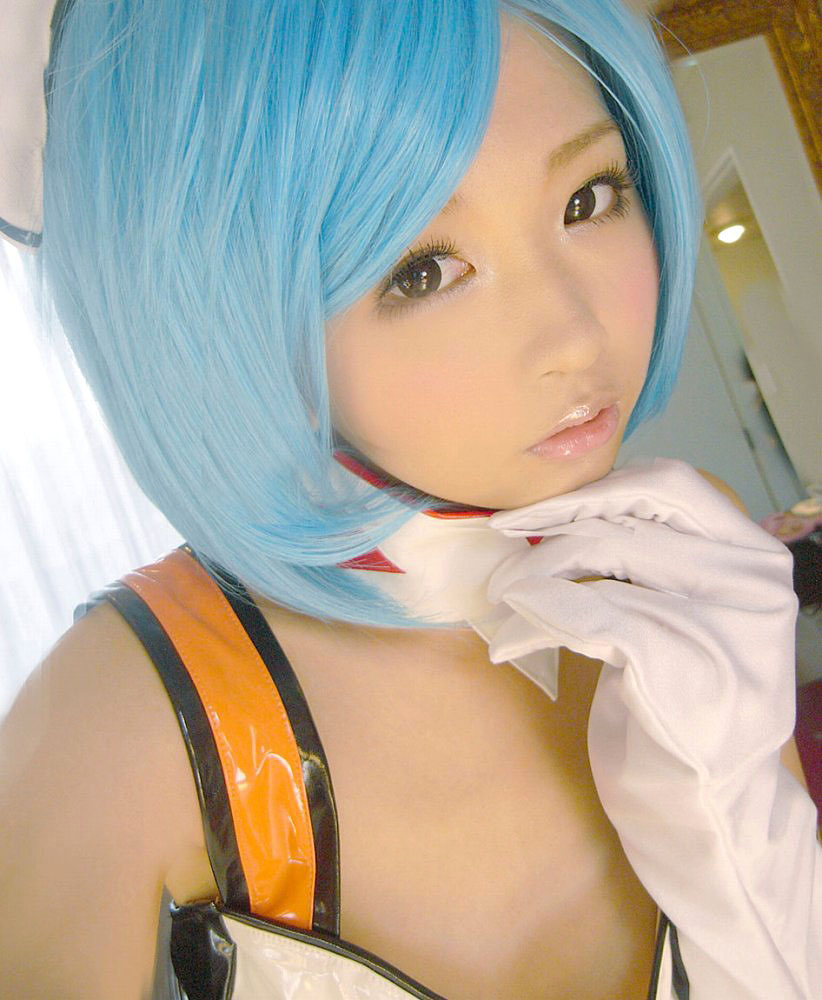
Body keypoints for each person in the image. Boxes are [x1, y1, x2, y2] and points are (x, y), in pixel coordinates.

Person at [0, 1, 818, 998]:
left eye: (589, 198)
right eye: (425, 270)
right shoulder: (118, 720)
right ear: (227, 317)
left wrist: (743, 810)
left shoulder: (682, 546)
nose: (572, 334)